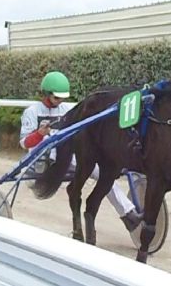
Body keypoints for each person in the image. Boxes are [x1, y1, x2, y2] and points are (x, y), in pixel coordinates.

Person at [19, 70, 142, 232]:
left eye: (63, 97)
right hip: (42, 158)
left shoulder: (69, 109)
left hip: (70, 156)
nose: (60, 100)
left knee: (107, 176)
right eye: (56, 97)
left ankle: (128, 213)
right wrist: (39, 134)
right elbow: (24, 143)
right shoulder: (32, 112)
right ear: (46, 94)